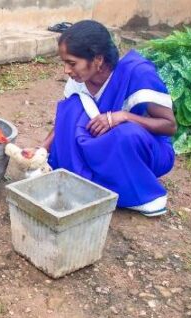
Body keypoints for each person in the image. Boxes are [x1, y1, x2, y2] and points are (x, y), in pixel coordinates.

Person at [41, 20, 177, 217]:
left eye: (72, 63)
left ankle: (139, 195)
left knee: (124, 133)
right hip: (102, 149)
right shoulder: (78, 82)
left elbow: (169, 126)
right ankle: (85, 179)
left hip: (144, 152)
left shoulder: (137, 73)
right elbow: (63, 123)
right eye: (64, 63)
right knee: (71, 109)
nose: (66, 71)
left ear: (97, 59)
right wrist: (42, 150)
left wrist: (124, 116)